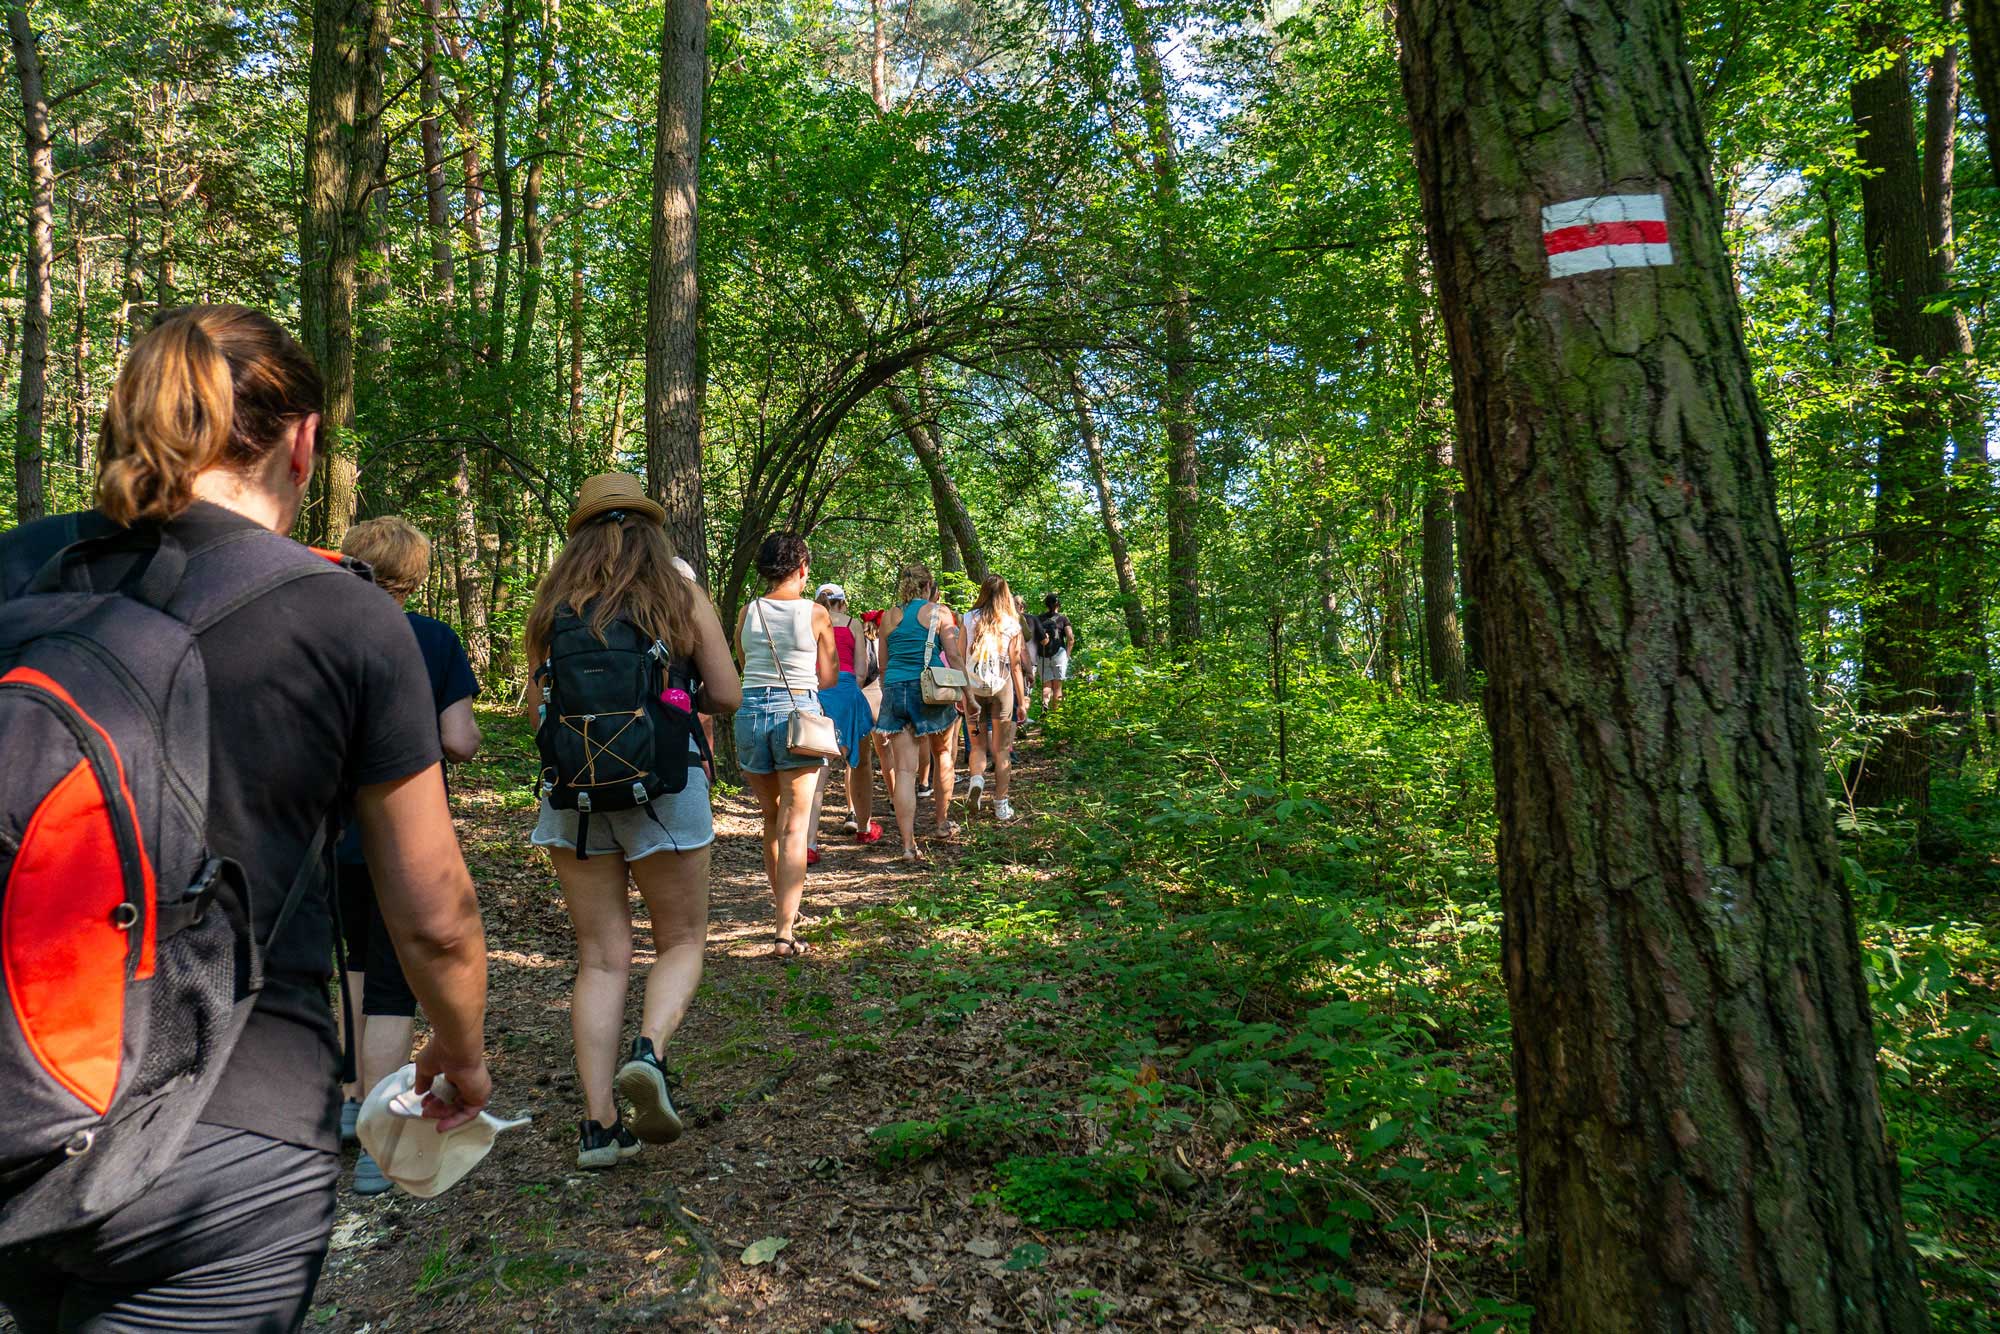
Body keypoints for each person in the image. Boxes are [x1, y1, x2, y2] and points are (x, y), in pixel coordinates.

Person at [0, 305, 490, 1332]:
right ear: (304, 440)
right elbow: (432, 909)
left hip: (25, 1097)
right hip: (229, 1128)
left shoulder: (18, 572)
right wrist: (460, 1047)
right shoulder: (345, 614)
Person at [526, 473, 742, 1168]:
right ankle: (649, 1050)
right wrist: (677, 691)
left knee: (599, 956)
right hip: (665, 784)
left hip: (573, 797)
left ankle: (597, 1129)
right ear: (652, 528)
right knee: (679, 941)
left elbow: (535, 704)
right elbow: (730, 694)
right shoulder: (677, 593)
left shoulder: (554, 599)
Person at [334, 516, 483, 1195]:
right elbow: (460, 740)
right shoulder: (430, 638)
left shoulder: (318, 630)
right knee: (394, 986)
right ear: (415, 576)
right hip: (402, 829)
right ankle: (380, 1141)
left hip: (323, 830)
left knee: (352, 965)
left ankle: (342, 1105)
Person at [733, 533, 838, 956]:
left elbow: (744, 666)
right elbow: (828, 677)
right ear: (801, 569)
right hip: (798, 716)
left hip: (751, 714)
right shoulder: (816, 614)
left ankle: (786, 911)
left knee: (772, 819)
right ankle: (783, 932)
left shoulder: (748, 611)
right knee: (796, 826)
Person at [875, 562, 967, 860]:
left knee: (904, 770)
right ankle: (941, 823)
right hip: (931, 692)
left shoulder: (888, 617)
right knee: (943, 754)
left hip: (894, 690)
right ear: (929, 586)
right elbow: (952, 655)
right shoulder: (940, 613)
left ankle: (907, 845)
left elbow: (884, 665)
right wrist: (969, 692)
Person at [806, 583, 883, 861]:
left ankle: (809, 844)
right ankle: (864, 827)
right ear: (843, 602)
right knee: (861, 761)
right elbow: (862, 669)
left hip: (817, 694)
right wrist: (849, 689)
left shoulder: (810, 621)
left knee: (818, 766)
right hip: (849, 692)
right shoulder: (852, 625)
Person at [963, 575, 1028, 822]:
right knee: (1001, 750)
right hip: (1001, 690)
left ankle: (977, 780)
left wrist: (963, 694)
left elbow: (960, 658)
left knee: (977, 745)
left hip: (974, 690)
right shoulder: (1012, 625)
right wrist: (1021, 701)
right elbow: (1015, 667)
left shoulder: (969, 619)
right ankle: (1001, 805)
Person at [1037, 591, 1075, 712]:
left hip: (1043, 655)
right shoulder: (1063, 619)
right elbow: (1070, 638)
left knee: (1046, 685)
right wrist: (1067, 655)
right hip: (1059, 654)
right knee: (1057, 686)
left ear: (1046, 604)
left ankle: (1045, 705)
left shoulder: (1039, 619)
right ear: (1058, 604)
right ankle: (1056, 717)